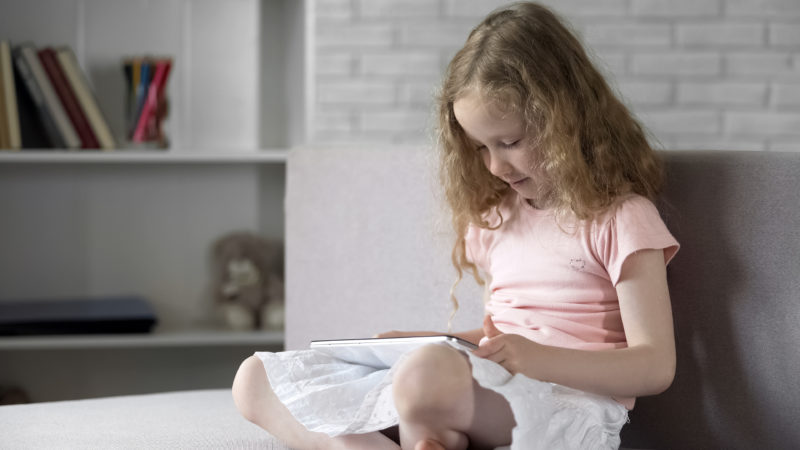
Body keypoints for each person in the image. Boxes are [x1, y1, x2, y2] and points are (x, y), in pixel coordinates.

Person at [231, 2, 679, 449]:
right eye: (480, 148)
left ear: (565, 120)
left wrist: (535, 359)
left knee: (424, 376)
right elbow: (500, 337)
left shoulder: (622, 217)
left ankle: (417, 427)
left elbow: (656, 366)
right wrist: (420, 341)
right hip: (485, 389)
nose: (496, 166)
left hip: (565, 404)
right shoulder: (497, 217)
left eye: (510, 142)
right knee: (255, 377)